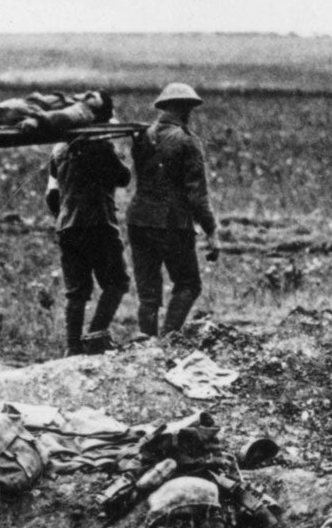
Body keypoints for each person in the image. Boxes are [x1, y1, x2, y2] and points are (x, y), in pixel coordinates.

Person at [126, 82, 219, 338]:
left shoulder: (142, 137)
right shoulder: (188, 142)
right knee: (188, 283)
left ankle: (146, 345)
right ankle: (167, 340)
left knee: (148, 292)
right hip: (171, 223)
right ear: (184, 109)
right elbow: (196, 196)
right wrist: (212, 232)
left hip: (138, 220)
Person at [45, 130, 131, 355]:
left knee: (76, 291)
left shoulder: (59, 148)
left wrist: (62, 218)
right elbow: (124, 177)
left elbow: (52, 194)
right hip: (99, 224)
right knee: (117, 283)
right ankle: (95, 336)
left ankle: (73, 347)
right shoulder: (101, 147)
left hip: (67, 227)